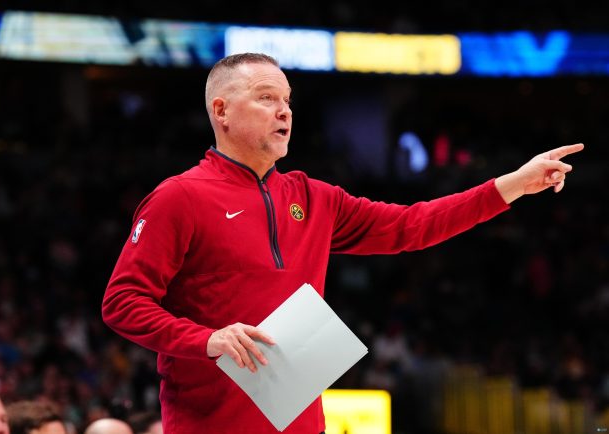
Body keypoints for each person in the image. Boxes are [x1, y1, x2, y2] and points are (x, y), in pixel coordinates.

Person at [102, 52, 584, 434]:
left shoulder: (314, 197)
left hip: (304, 425)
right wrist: (207, 339)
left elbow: (412, 226)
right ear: (221, 111)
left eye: (288, 100)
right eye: (267, 97)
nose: (284, 110)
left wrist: (512, 185)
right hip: (210, 426)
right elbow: (122, 302)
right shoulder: (179, 197)